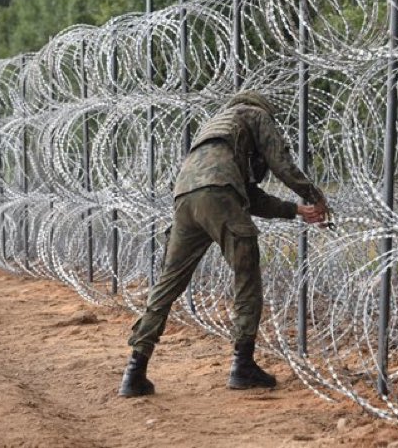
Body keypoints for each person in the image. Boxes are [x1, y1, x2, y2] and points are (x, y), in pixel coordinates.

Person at [119, 90, 328, 397]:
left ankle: (134, 371)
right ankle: (243, 365)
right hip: (218, 195)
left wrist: (295, 210)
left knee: (167, 285)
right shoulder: (255, 115)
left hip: (185, 199)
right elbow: (280, 163)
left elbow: (245, 193)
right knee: (246, 274)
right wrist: (314, 195)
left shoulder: (216, 128)